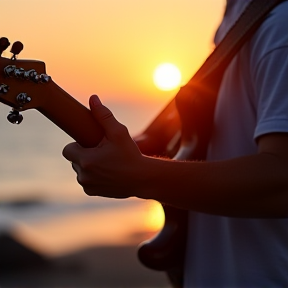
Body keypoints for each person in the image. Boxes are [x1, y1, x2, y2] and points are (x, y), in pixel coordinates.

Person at [62, 0, 288, 287]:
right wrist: (148, 149)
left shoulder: (281, 27)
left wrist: (140, 176)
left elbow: (282, 183)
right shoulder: (240, 14)